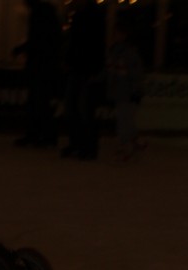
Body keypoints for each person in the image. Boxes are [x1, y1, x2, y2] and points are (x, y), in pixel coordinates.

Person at [12, 0, 63, 147]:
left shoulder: (39, 14)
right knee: (41, 102)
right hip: (46, 65)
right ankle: (42, 135)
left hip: (41, 66)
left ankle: (40, 134)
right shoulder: (47, 13)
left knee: (39, 102)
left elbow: (37, 39)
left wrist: (21, 49)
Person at [60, 0, 107, 160]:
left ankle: (84, 146)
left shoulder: (87, 16)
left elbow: (85, 43)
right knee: (79, 109)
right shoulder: (90, 15)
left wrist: (69, 60)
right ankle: (83, 145)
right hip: (82, 68)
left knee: (81, 109)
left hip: (84, 69)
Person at [106, 16, 145, 161]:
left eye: (117, 33)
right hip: (120, 92)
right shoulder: (114, 51)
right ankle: (134, 142)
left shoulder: (129, 53)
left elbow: (136, 74)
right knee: (125, 120)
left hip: (128, 92)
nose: (114, 36)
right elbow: (111, 72)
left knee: (124, 121)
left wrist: (135, 91)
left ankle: (125, 147)